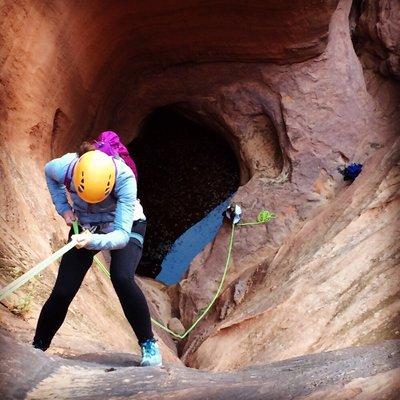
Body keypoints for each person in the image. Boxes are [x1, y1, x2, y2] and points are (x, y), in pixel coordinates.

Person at [32, 137, 162, 367]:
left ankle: (148, 344)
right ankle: (38, 346)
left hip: (124, 225)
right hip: (85, 224)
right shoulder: (67, 168)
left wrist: (91, 240)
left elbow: (122, 237)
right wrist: (64, 209)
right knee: (63, 289)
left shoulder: (124, 179)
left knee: (122, 277)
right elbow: (48, 172)